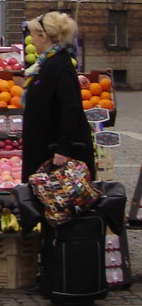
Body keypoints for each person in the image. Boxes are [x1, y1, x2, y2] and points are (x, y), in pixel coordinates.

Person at [21, 11, 95, 182]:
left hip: (53, 153)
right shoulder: (46, 64)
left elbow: (71, 108)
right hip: (43, 147)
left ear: (43, 36)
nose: (30, 40)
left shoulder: (60, 66)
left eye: (32, 35)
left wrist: (63, 148)